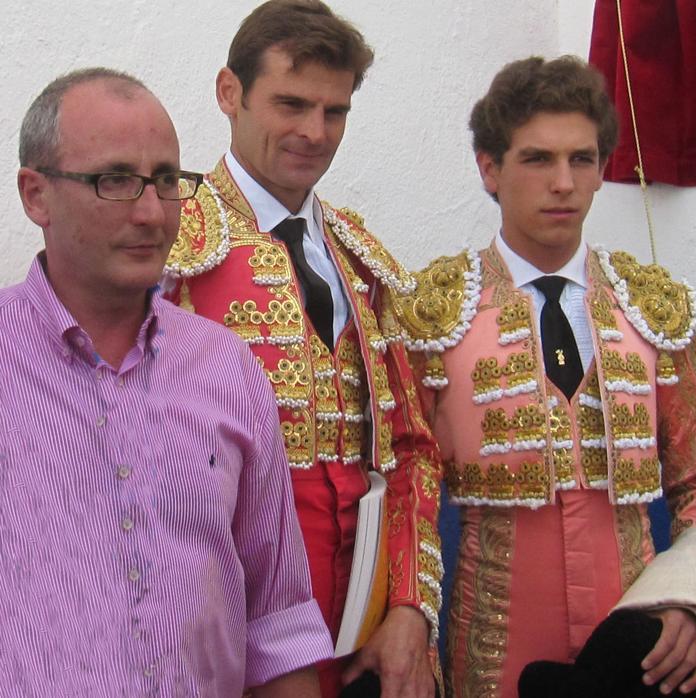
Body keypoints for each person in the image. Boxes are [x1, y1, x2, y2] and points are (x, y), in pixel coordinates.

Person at [397, 55, 696, 698]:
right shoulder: (432, 311)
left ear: (603, 169)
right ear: (490, 169)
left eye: (582, 159)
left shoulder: (651, 304)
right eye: (538, 159)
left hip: (640, 643)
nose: (563, 183)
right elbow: (408, 488)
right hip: (494, 647)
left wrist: (690, 601)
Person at [0, 68, 331, 696]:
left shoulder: (227, 369)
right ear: (35, 195)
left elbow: (277, 623)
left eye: (166, 181)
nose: (153, 213)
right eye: (116, 180)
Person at [162, 2, 440, 695]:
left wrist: (411, 607)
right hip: (223, 619)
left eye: (335, 112)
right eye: (291, 103)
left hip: (363, 621)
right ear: (230, 93)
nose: (314, 133)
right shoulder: (166, 240)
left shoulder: (363, 257)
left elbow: (413, 449)